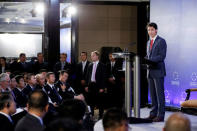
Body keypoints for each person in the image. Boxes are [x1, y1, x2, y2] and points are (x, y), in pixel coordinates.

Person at [145, 22, 167, 122]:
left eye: (152, 30)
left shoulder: (161, 41)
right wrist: (144, 60)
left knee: (159, 95)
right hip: (150, 71)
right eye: (148, 30)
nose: (150, 32)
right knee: (152, 95)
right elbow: (148, 56)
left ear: (156, 30)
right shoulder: (148, 42)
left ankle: (161, 115)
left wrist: (149, 60)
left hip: (158, 71)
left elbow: (161, 56)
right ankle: (153, 114)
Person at [85, 51, 106, 119]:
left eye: (93, 55)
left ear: (97, 56)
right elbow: (87, 76)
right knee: (91, 101)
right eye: (91, 56)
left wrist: (102, 87)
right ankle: (92, 114)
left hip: (99, 86)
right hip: (91, 85)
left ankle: (100, 115)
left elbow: (103, 77)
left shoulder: (102, 65)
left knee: (100, 102)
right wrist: (86, 85)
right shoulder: (90, 65)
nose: (92, 57)